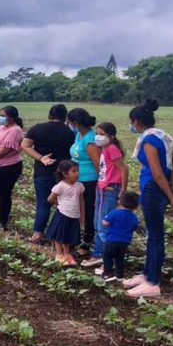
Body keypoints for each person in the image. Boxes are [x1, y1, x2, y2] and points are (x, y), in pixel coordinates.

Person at [123, 99, 173, 298]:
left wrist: (171, 195)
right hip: (159, 189)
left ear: (136, 121)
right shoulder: (162, 135)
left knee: (154, 236)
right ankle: (146, 274)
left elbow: (157, 173)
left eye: (131, 122)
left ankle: (152, 282)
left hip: (154, 189)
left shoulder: (148, 141)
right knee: (152, 235)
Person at [21, 104, 75, 244]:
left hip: (42, 171)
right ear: (65, 117)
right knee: (63, 204)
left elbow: (25, 145)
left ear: (50, 115)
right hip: (64, 173)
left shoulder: (37, 128)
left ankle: (37, 234)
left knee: (43, 203)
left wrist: (41, 157)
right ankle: (59, 236)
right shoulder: (70, 132)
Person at [82, 123, 128, 269]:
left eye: (101, 134)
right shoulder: (104, 148)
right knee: (98, 224)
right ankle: (98, 254)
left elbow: (124, 168)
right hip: (102, 188)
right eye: (97, 133)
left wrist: (123, 190)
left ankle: (109, 260)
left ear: (111, 137)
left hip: (110, 189)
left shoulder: (112, 149)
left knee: (104, 226)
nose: (98, 137)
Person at [67, 108, 100, 256]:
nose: (69, 125)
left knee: (87, 212)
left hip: (89, 181)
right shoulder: (79, 134)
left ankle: (87, 243)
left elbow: (98, 163)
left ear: (76, 122)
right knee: (78, 210)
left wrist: (102, 183)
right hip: (78, 180)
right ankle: (77, 239)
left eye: (70, 122)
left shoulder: (90, 139)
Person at [45, 160, 85, 267]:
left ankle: (67, 254)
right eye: (74, 171)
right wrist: (61, 203)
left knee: (67, 235)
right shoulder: (60, 186)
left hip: (74, 215)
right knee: (59, 235)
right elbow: (50, 199)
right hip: (63, 214)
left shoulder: (79, 186)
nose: (77, 173)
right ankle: (59, 254)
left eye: (77, 171)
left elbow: (81, 201)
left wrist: (82, 215)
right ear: (65, 173)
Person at [101, 192, 140, 282]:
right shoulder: (134, 217)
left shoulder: (115, 213)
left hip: (112, 240)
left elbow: (105, 223)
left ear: (120, 202)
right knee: (119, 258)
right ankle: (119, 275)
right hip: (124, 242)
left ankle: (107, 273)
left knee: (107, 256)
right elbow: (134, 227)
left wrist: (105, 219)